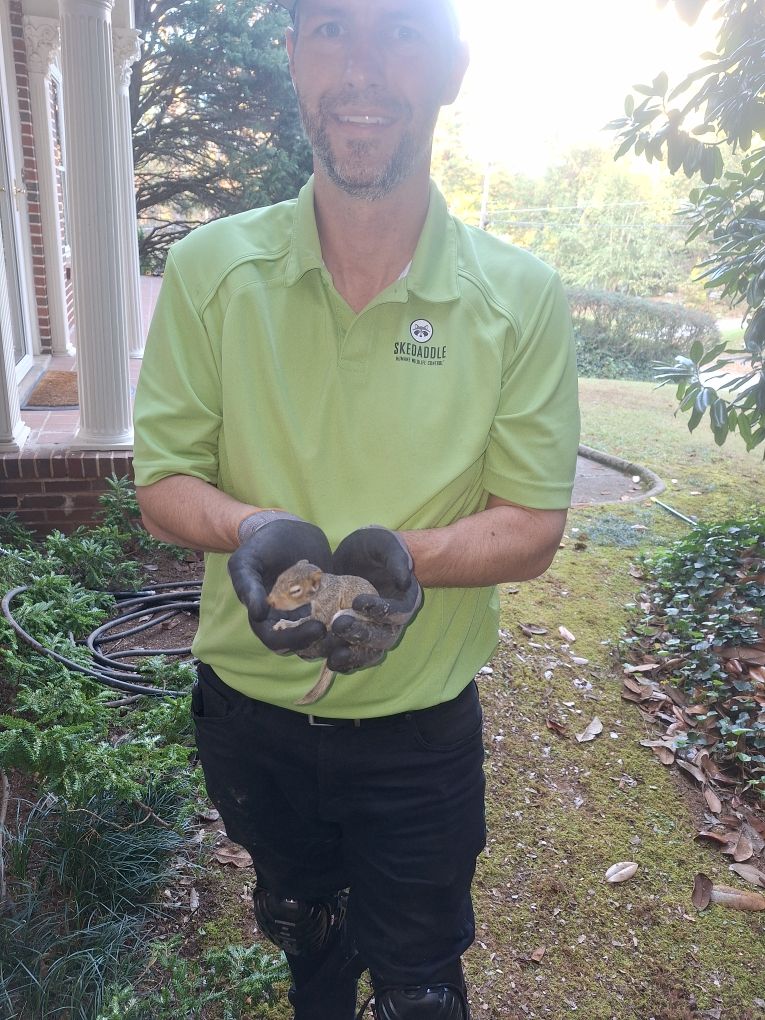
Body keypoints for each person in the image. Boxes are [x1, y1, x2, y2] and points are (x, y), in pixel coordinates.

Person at [132, 0, 580, 1016]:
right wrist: (250, 530)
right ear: (294, 58)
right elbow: (163, 481)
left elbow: (532, 523)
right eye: (331, 29)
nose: (361, 67)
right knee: (303, 928)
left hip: (418, 731)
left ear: (452, 69)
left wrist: (401, 560)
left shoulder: (519, 296)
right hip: (247, 717)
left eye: (400, 32)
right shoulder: (210, 270)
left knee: (420, 978)